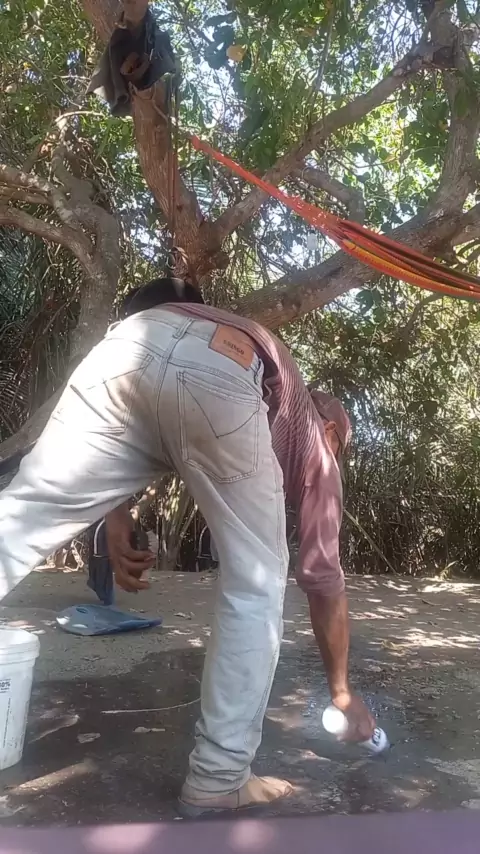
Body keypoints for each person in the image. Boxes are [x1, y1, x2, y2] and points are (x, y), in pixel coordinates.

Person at [0, 277, 374, 817]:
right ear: (333, 429)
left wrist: (115, 516)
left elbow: (138, 414)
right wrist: (341, 691)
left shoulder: (278, 398)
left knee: (17, 520)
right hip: (223, 363)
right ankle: (220, 777)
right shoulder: (318, 443)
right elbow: (323, 580)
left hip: (118, 350)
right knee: (255, 584)